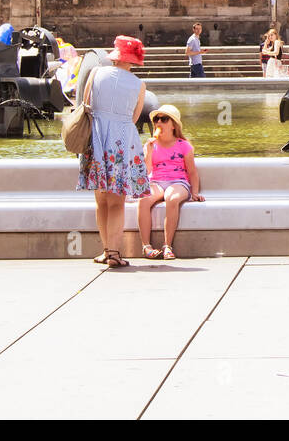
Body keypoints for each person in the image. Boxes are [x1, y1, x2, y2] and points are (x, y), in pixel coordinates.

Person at [77, 35, 149, 269]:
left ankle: (106, 250)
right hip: (121, 141)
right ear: (134, 59)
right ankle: (115, 253)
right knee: (117, 202)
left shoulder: (96, 73)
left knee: (101, 201)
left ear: (115, 56)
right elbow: (134, 118)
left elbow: (85, 104)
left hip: (96, 138)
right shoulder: (139, 85)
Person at [137, 105, 202, 260]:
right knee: (144, 200)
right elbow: (146, 172)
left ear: (173, 125)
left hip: (178, 182)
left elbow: (192, 172)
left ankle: (167, 246)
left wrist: (195, 192)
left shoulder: (183, 145)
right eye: (156, 119)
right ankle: (146, 247)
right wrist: (148, 152)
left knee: (171, 198)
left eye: (164, 119)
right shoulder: (151, 145)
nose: (159, 122)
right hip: (156, 181)